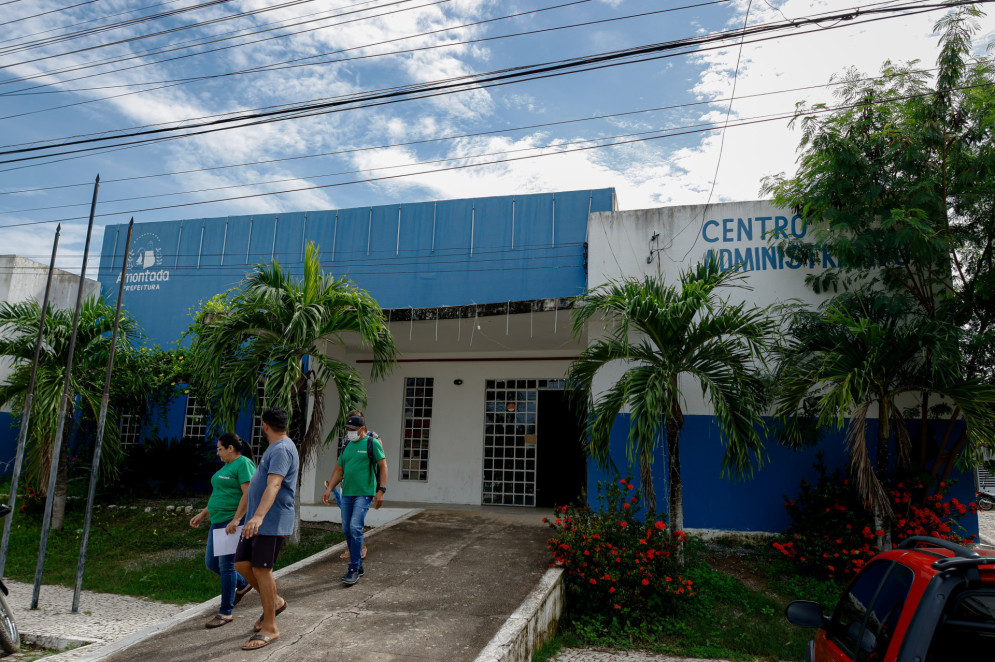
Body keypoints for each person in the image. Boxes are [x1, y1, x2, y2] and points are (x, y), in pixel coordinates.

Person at [234, 407, 299, 651]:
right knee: (241, 563)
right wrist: (244, 516)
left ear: (265, 426)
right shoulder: (275, 446)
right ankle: (276, 601)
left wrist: (259, 516)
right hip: (257, 520)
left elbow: (274, 484)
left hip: (270, 521)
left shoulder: (282, 448)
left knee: (262, 569)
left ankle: (270, 626)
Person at [188, 432, 256, 629]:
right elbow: (219, 494)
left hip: (230, 523)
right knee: (211, 563)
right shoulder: (226, 467)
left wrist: (236, 519)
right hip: (217, 522)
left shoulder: (243, 464)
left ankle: (225, 612)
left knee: (226, 566)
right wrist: (202, 514)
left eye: (219, 449)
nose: (217, 453)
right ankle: (243, 583)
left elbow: (248, 493)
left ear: (230, 448)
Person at [322, 413, 387, 585]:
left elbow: (383, 466)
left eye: (352, 429)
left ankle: (353, 568)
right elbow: (338, 470)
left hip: (364, 492)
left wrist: (381, 490)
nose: (349, 432)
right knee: (346, 529)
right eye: (348, 429)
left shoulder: (372, 443)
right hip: (347, 493)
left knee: (355, 527)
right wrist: (329, 489)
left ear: (362, 428)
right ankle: (358, 565)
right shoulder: (347, 446)